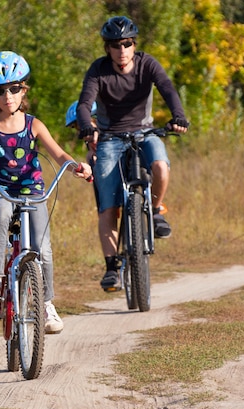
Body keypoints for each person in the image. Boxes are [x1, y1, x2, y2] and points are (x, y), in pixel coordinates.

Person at [0, 51, 92, 334]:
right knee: (0, 212)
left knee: (43, 249)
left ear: (23, 89)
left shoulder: (34, 124)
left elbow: (59, 153)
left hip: (33, 190)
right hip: (1, 189)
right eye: (0, 91)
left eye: (14, 88)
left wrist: (75, 167)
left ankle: (46, 303)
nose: (7, 96)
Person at [76, 16, 189, 292]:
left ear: (134, 45)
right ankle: (112, 266)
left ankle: (156, 209)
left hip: (145, 133)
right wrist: (86, 127)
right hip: (110, 138)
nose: (122, 50)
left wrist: (179, 116)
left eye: (126, 44)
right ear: (108, 49)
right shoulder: (98, 70)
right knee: (108, 204)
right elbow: (84, 103)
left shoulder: (147, 63)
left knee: (160, 165)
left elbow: (167, 88)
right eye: (115, 45)